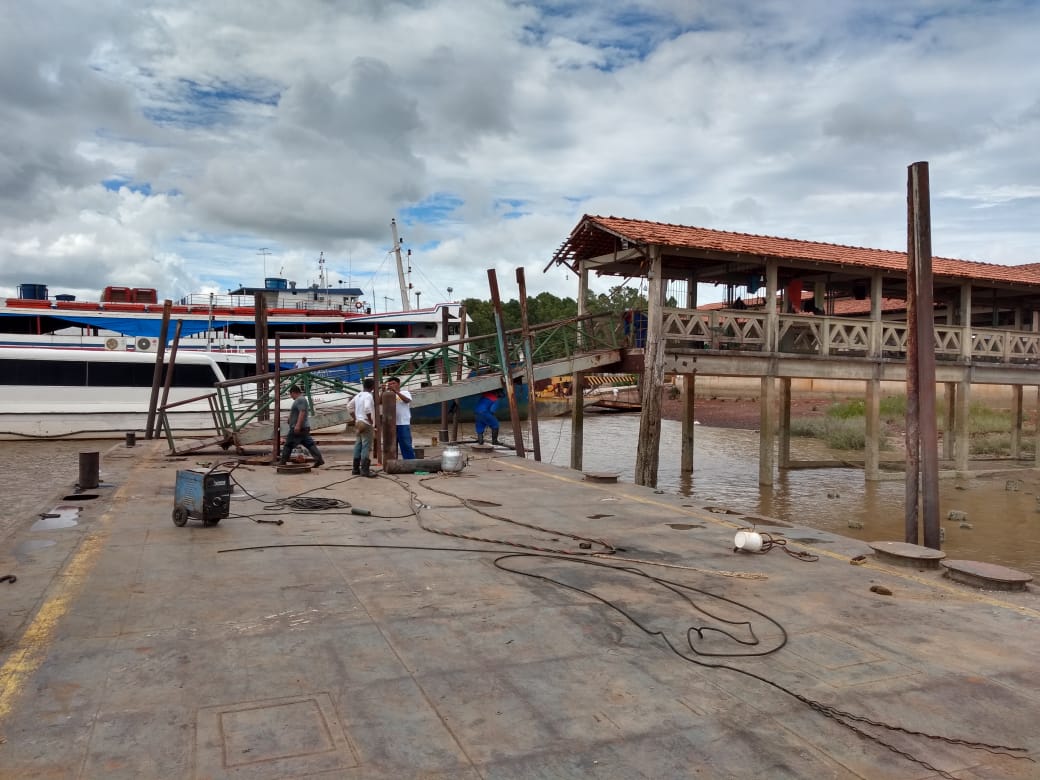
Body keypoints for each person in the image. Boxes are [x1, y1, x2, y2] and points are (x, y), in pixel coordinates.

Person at [278, 385, 324, 467]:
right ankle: (319, 459)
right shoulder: (300, 400)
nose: (291, 396)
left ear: (293, 392)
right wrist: (290, 419)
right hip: (303, 427)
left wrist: (298, 425)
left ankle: (282, 462)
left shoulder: (300, 399)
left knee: (288, 444)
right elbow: (297, 411)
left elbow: (302, 412)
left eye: (291, 394)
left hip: (298, 428)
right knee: (309, 444)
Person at [350, 377, 377, 476]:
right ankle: (365, 470)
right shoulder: (369, 396)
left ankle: (355, 469)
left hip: (358, 423)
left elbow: (349, 407)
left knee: (358, 445)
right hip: (366, 423)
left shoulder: (358, 395)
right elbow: (367, 408)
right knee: (366, 446)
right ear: (372, 386)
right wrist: (370, 420)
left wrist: (355, 418)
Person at [385, 376, 415, 459]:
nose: (391, 385)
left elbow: (407, 400)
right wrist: (383, 391)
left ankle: (410, 462)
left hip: (403, 423)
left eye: (393, 383)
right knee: (391, 445)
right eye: (390, 384)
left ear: (398, 384)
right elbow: (379, 402)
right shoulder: (387, 395)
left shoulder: (405, 392)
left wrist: (395, 391)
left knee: (406, 444)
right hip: (391, 424)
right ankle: (393, 463)